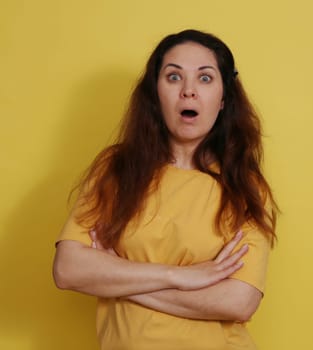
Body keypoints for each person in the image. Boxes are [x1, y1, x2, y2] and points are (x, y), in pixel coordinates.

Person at [53, 29, 278, 350]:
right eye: (173, 77)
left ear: (224, 98)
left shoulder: (245, 187)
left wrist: (115, 278)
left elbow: (238, 301)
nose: (188, 91)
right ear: (155, 94)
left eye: (204, 78)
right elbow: (68, 270)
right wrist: (180, 276)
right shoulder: (116, 169)